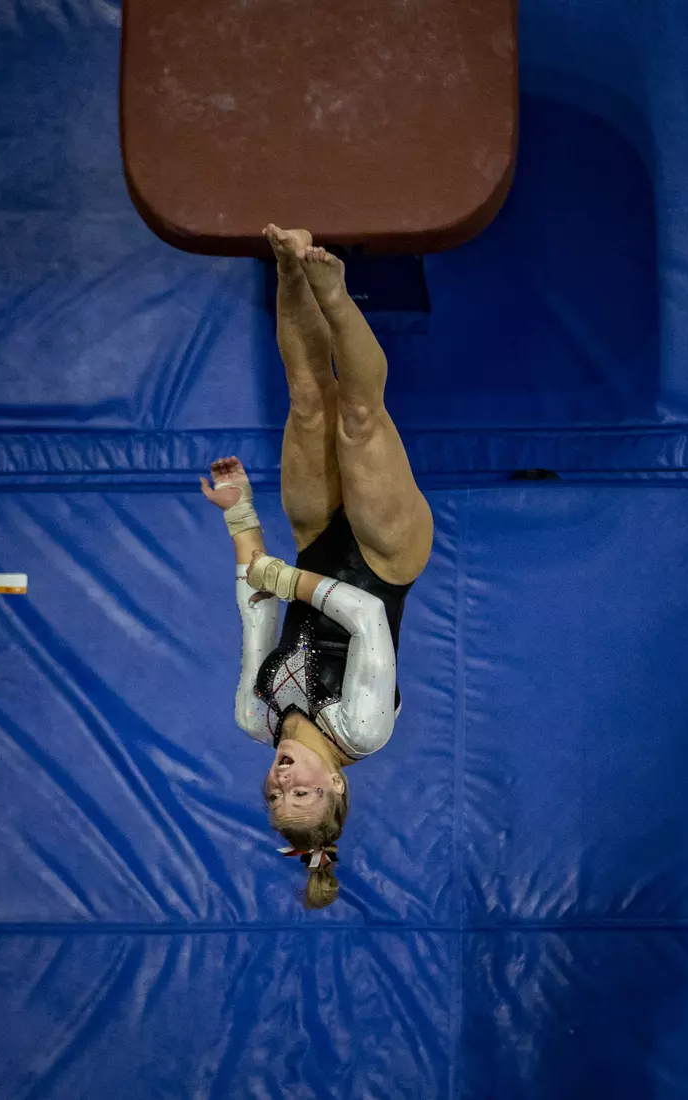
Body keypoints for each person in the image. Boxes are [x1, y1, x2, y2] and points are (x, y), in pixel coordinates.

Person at [201, 225, 433, 908]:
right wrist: (281, 578)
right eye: (301, 792)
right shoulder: (362, 728)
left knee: (307, 401)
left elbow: (256, 609)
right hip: (385, 559)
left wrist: (239, 515)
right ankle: (332, 292)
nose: (283, 779)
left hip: (314, 543)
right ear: (337, 786)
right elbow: (363, 618)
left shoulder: (255, 716)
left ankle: (287, 267)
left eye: (275, 794)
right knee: (358, 417)